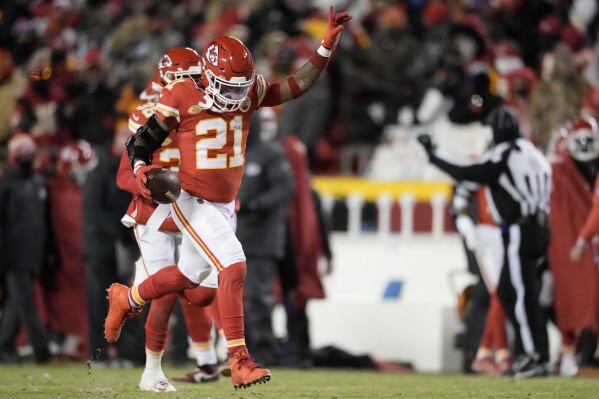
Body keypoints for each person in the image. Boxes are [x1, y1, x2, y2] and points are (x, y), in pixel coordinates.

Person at [104, 6, 352, 389]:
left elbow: (294, 86)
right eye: (229, 87)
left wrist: (325, 47)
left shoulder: (248, 89)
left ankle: (129, 298)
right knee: (233, 266)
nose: (237, 96)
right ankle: (239, 360)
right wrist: (140, 172)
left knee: (190, 275)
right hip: (190, 197)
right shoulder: (181, 94)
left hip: (223, 203)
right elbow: (142, 141)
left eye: (242, 86)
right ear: (207, 76)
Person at [116, 48, 222, 392]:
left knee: (202, 293)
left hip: (193, 207)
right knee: (164, 294)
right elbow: (123, 176)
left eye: (191, 78)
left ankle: (129, 295)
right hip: (156, 211)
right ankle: (153, 372)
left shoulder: (210, 109)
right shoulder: (147, 115)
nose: (185, 85)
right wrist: (146, 184)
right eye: (178, 79)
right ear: (163, 82)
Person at [418, 105, 552, 378]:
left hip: (520, 229)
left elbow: (471, 171)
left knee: (521, 295)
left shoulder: (506, 153)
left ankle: (533, 356)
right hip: (538, 226)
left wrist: (434, 155)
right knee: (507, 292)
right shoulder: (533, 153)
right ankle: (531, 353)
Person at [236, 110, 295, 367]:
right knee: (235, 298)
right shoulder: (232, 154)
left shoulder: (271, 154)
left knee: (259, 297)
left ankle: (266, 352)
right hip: (235, 239)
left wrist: (255, 205)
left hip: (262, 239)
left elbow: (286, 189)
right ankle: (243, 352)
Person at [0, 133, 52, 364]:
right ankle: (43, 352)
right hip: (12, 255)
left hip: (32, 255)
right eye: (23, 152)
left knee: (16, 303)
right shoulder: (6, 184)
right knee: (25, 303)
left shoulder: (37, 182)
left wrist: (48, 252)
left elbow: (43, 221)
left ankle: (3, 345)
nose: (27, 157)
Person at [43, 139, 98, 360]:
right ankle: (68, 339)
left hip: (76, 254)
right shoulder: (58, 190)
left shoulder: (66, 189)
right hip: (66, 255)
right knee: (68, 299)